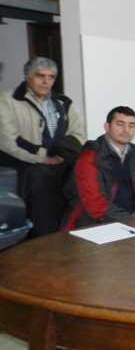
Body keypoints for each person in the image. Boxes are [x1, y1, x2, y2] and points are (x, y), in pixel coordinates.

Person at [0, 57, 86, 237]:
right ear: (28, 76)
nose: (46, 82)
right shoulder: (7, 100)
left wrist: (62, 155)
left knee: (83, 174)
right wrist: (43, 157)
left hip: (60, 161)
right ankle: (44, 241)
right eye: (40, 76)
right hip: (27, 164)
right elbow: (8, 140)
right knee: (41, 184)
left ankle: (71, 237)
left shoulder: (63, 102)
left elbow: (78, 134)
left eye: (51, 77)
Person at [64, 106, 135, 230]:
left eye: (131, 125)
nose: (126, 130)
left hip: (131, 218)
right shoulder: (90, 156)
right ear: (107, 126)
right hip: (94, 223)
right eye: (120, 124)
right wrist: (133, 223)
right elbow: (95, 204)